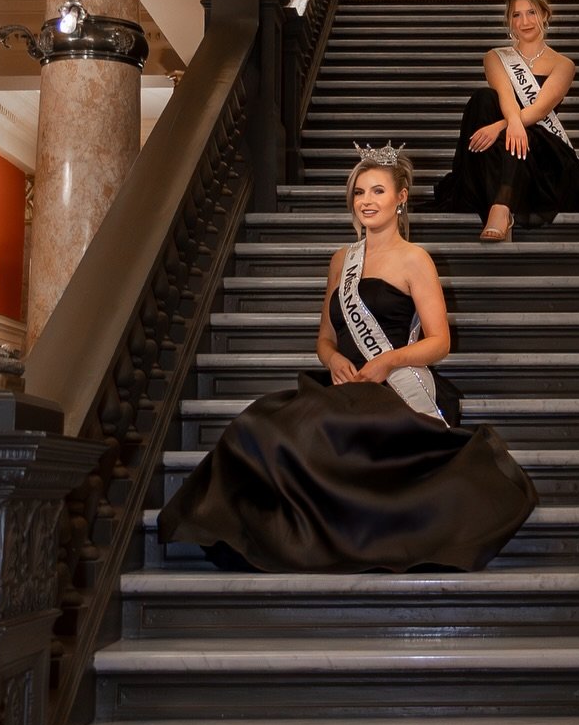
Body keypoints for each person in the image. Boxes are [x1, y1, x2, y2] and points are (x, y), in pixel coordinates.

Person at [158, 148, 537, 572]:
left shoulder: (416, 259)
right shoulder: (342, 260)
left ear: (401, 198)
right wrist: (333, 358)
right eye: (359, 192)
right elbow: (324, 336)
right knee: (258, 425)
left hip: (394, 384)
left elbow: (440, 342)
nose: (367, 200)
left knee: (330, 431)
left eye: (378, 190)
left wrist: (387, 362)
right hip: (343, 384)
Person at [433, 0, 579, 239]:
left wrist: (503, 125)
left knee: (517, 132)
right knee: (483, 99)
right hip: (504, 145)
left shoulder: (564, 64)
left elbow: (538, 110)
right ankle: (500, 204)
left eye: (531, 13)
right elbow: (505, 96)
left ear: (545, 15)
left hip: (542, 151)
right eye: (517, 15)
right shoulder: (495, 57)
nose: (524, 22)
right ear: (509, 21)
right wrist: (508, 123)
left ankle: (501, 207)